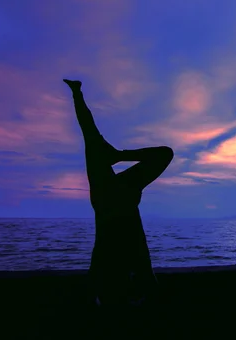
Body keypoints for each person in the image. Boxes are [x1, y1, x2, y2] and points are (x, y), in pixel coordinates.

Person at [63, 79, 173, 308]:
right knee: (137, 268)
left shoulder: (115, 186)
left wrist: (119, 156)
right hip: (119, 216)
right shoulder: (118, 186)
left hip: (117, 213)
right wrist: (77, 94)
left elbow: (89, 130)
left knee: (133, 267)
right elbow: (89, 130)